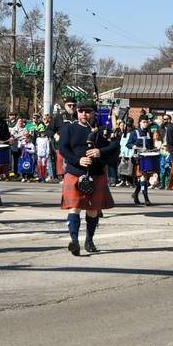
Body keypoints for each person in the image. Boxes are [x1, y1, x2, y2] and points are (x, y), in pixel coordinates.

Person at [58, 99, 119, 255]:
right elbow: (63, 149)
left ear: (93, 113)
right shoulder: (69, 129)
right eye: (81, 111)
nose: (84, 114)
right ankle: (74, 241)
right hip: (75, 173)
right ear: (77, 112)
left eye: (87, 111)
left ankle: (89, 240)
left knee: (92, 210)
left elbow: (114, 145)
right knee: (74, 208)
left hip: (96, 173)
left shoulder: (101, 131)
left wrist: (100, 151)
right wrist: (78, 160)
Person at [126, 115, 155, 205]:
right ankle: (146, 198)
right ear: (139, 123)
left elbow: (150, 146)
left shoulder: (149, 133)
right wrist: (133, 146)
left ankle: (135, 194)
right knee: (143, 177)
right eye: (143, 122)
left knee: (144, 178)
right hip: (138, 157)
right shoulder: (134, 133)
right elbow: (128, 144)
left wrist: (153, 149)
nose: (145, 124)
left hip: (147, 158)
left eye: (146, 122)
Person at [50, 97, 77, 178]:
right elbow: (49, 130)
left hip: (75, 144)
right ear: (65, 106)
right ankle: (62, 176)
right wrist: (55, 135)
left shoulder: (79, 116)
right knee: (61, 160)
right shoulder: (58, 117)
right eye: (69, 105)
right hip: (62, 143)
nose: (72, 107)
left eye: (74, 105)